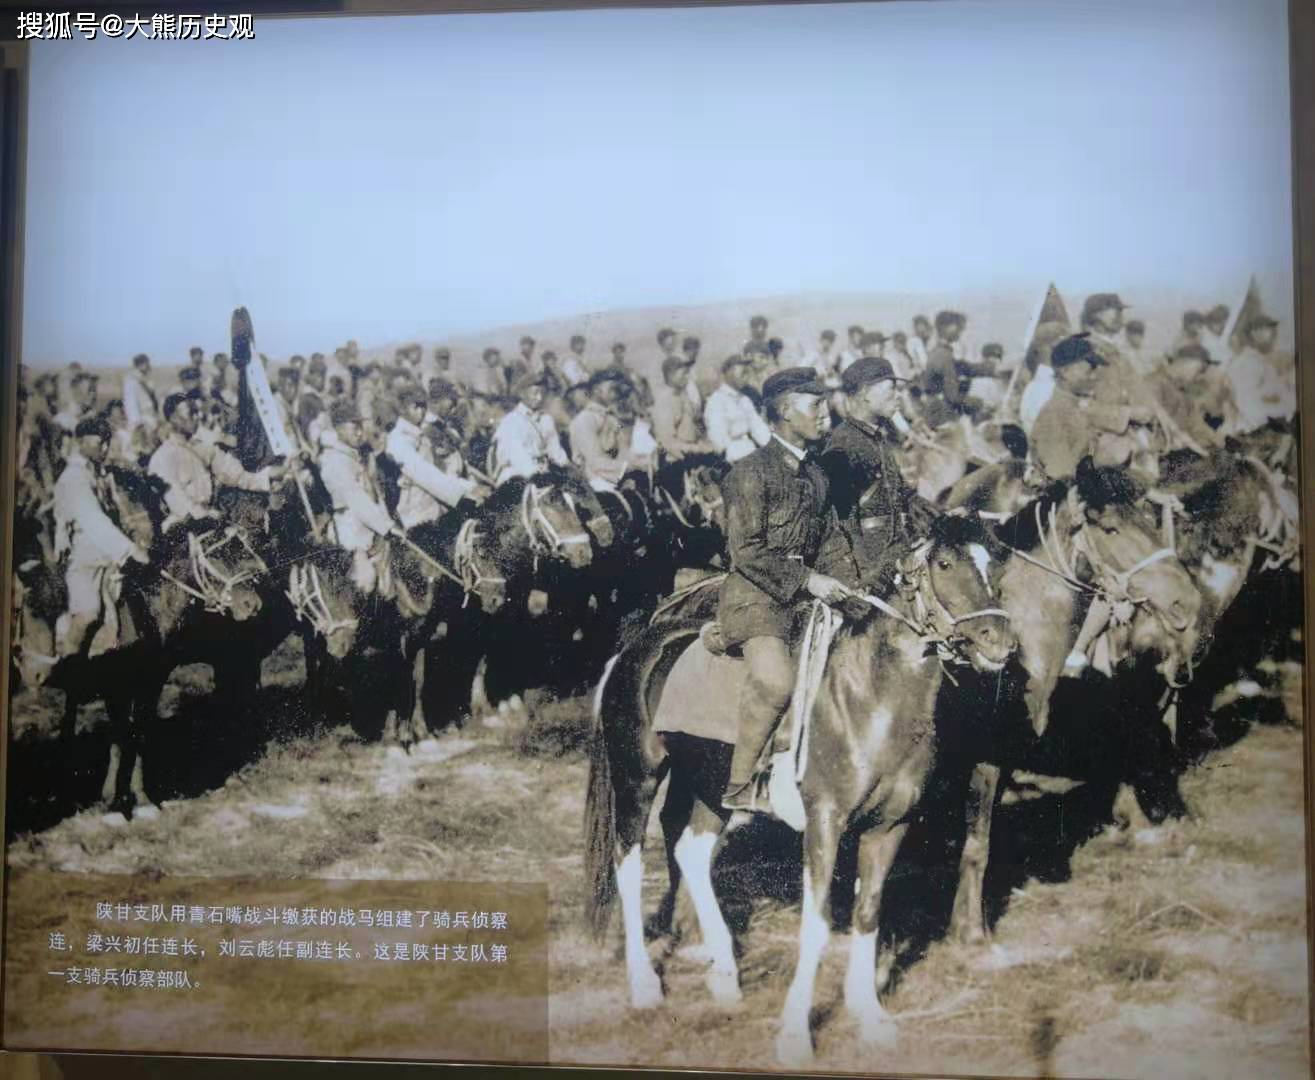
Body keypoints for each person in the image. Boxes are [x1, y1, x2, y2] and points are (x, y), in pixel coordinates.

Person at [717, 368, 855, 813]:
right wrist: (808, 580)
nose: (824, 413)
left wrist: (851, 583)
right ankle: (740, 787)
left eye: (823, 404)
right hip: (755, 597)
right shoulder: (749, 473)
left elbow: (829, 540)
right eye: (813, 405)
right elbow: (747, 553)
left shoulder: (816, 476)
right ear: (782, 412)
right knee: (777, 682)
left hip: (802, 597)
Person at [820, 357, 935, 591]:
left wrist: (938, 514)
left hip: (896, 552)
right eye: (891, 388)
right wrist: (865, 578)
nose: (898, 396)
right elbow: (841, 522)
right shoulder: (842, 446)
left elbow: (901, 492)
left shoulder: (876, 437)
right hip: (872, 567)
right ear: (865, 393)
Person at [52, 416, 150, 658]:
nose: (105, 449)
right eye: (99, 443)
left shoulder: (98, 473)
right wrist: (130, 550)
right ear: (81, 442)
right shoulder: (74, 477)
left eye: (107, 443)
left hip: (105, 553)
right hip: (83, 556)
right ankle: (68, 661)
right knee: (89, 612)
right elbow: (93, 521)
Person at [148, 393, 277, 532]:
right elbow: (176, 499)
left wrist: (271, 475)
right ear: (173, 419)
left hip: (212, 517)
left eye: (196, 412)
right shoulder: (162, 457)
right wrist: (203, 515)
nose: (197, 417)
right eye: (190, 413)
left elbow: (236, 474)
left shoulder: (202, 447)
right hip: (184, 526)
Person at [319, 400, 399, 593]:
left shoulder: (354, 454)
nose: (359, 431)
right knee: (365, 580)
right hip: (350, 531)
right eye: (353, 426)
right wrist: (386, 526)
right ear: (338, 428)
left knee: (391, 577)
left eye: (360, 426)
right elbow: (356, 499)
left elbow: (375, 493)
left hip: (370, 527)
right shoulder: (334, 461)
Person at [386, 386, 482, 529]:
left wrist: (471, 488)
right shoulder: (397, 440)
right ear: (402, 409)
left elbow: (442, 472)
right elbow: (424, 473)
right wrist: (462, 496)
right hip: (416, 516)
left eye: (423, 406)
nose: (421, 411)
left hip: (438, 508)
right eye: (415, 407)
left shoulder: (421, 437)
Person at [490, 369, 570, 484]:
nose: (539, 398)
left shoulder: (546, 419)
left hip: (544, 472)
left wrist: (566, 467)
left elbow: (555, 450)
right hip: (516, 475)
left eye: (543, 393)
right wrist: (534, 474)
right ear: (522, 393)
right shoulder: (511, 421)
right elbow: (517, 454)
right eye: (535, 393)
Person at [1228, 313, 1294, 432]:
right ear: (1253, 334)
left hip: (1272, 417)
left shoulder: (1260, 358)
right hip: (1258, 423)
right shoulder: (1248, 361)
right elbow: (1246, 400)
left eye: (1269, 330)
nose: (1269, 334)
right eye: (1263, 330)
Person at [705, 354, 770, 462]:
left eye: (746, 372)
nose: (746, 376)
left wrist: (772, 447)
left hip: (750, 451)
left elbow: (758, 427)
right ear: (729, 372)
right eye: (742, 372)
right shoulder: (717, 401)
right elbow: (719, 440)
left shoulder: (744, 400)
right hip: (732, 458)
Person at [651, 352, 713, 460]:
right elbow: (667, 442)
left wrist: (704, 444)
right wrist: (697, 449)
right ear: (671, 375)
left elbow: (694, 424)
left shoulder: (683, 395)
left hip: (691, 453)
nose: (687, 377)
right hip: (674, 461)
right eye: (684, 373)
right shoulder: (665, 401)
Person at [122, 353, 160, 433]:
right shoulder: (131, 381)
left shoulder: (146, 380)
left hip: (151, 420)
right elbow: (130, 403)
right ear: (139, 365)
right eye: (144, 363)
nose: (148, 366)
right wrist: (136, 423)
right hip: (141, 422)